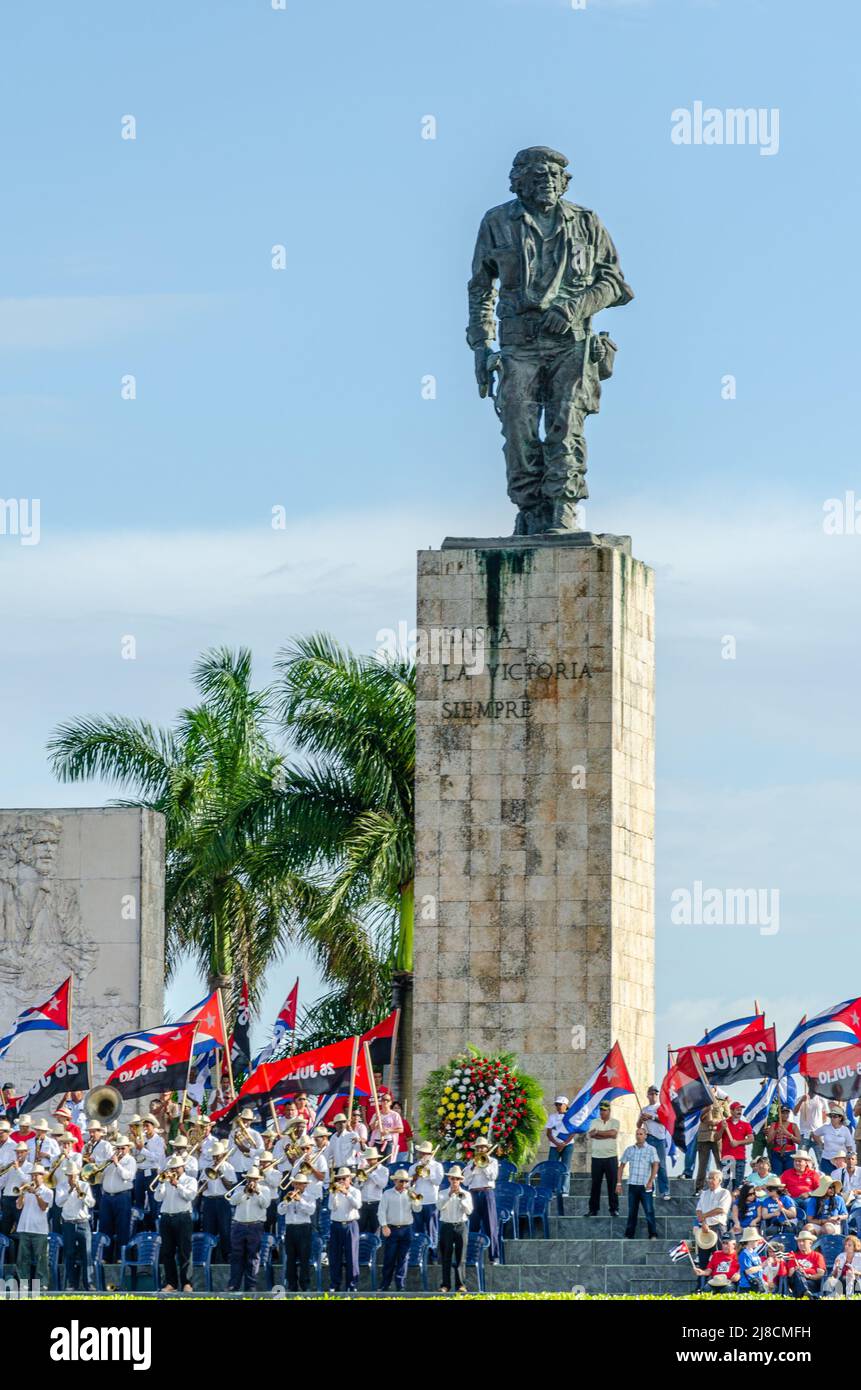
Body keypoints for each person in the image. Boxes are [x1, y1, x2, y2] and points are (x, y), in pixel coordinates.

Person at [467, 146, 633, 536]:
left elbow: (615, 283)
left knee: (566, 423)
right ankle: (529, 508)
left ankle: (562, 506)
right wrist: (480, 346)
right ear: (518, 182)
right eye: (537, 176)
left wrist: (574, 307)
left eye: (553, 176)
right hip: (518, 342)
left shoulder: (586, 223)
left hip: (570, 343)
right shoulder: (496, 222)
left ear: (564, 182)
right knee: (517, 424)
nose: (546, 182)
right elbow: (479, 289)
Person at [154, 1155, 196, 1293]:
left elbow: (190, 1196)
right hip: (166, 1217)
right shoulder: (166, 1181)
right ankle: (171, 1283)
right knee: (167, 1252)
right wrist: (161, 1183)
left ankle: (187, 1283)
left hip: (183, 1217)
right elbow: (157, 1197)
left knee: (185, 1251)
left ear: (182, 1167)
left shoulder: (190, 1180)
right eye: (172, 1168)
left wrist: (177, 1185)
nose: (174, 1170)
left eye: (176, 1168)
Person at [378, 1170, 423, 1291]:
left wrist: (415, 1199)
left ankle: (400, 1285)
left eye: (406, 1181)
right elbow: (381, 1211)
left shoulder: (410, 1193)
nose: (404, 1183)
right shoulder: (387, 1193)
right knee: (389, 1258)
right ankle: (385, 1284)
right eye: (401, 1181)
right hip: (392, 1229)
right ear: (395, 1181)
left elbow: (417, 1210)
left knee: (403, 1259)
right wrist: (384, 1225)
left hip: (406, 1229)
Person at [227, 1168, 270, 1292]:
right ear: (246, 1179)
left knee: (253, 1257)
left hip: (255, 1226)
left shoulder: (265, 1190)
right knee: (236, 1256)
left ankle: (251, 1285)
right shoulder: (240, 1189)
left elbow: (265, 1204)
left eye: (254, 1179)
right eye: (250, 1179)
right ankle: (234, 1284)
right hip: (239, 1225)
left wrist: (258, 1192)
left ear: (258, 1180)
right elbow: (233, 1202)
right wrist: (245, 1192)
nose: (252, 1181)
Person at [55, 1160, 95, 1290]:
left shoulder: (84, 1186)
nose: (73, 1178)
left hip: (83, 1223)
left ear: (78, 1175)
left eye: (75, 1175)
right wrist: (70, 1190)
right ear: (67, 1175)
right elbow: (59, 1203)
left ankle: (88, 1283)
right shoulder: (61, 1186)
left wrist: (82, 1196)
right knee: (69, 1254)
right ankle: (72, 1284)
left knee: (87, 1254)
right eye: (71, 1175)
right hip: (68, 1224)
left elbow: (92, 1203)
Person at [15, 1163, 54, 1289]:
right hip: (24, 1227)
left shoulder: (48, 1192)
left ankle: (42, 1284)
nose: (34, 1177)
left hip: (39, 1230)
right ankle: (24, 1284)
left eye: (36, 1175)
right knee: (23, 1258)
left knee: (41, 1258)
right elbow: (19, 1206)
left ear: (42, 1176)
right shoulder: (26, 1189)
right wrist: (21, 1194)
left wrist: (36, 1194)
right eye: (32, 1175)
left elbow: (43, 1207)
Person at [99, 1133, 136, 1259]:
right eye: (118, 1148)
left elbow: (127, 1176)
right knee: (105, 1227)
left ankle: (122, 1257)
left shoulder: (130, 1160)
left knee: (122, 1227)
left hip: (122, 1197)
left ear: (128, 1148)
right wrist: (106, 1163)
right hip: (107, 1197)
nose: (120, 1151)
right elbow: (100, 1175)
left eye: (123, 1148)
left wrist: (117, 1164)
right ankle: (105, 1257)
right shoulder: (110, 1161)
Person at [463, 1136, 500, 1262]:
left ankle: (493, 1257)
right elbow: (466, 1181)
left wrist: (484, 1165)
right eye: (478, 1148)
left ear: (487, 1148)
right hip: (473, 1194)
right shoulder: (470, 1163)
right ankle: (472, 1257)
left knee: (491, 1226)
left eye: (482, 1147)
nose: (480, 1149)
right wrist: (473, 1167)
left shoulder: (493, 1161)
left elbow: (492, 1177)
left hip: (486, 1192)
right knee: (473, 1226)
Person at [617, 1125, 658, 1239]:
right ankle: (629, 1235)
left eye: (641, 1134)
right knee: (632, 1212)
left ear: (645, 1136)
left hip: (645, 1186)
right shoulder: (630, 1149)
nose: (639, 1136)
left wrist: (651, 1181)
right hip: (633, 1185)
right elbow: (621, 1166)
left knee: (649, 1211)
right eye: (637, 1134)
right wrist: (619, 1183)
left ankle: (653, 1234)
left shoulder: (651, 1149)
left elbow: (655, 1165)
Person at [437, 1165, 473, 1294]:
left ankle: (461, 1285)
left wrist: (461, 1199)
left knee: (461, 1257)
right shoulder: (442, 1193)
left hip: (461, 1226)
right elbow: (440, 1207)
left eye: (457, 1179)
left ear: (460, 1180)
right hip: (446, 1225)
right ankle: (445, 1285)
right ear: (449, 1179)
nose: (455, 1181)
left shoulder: (466, 1194)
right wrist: (449, 1195)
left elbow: (469, 1211)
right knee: (446, 1256)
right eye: (452, 1178)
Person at [278, 1172, 316, 1292]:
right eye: (296, 1184)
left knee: (304, 1259)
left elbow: (311, 1211)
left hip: (304, 1228)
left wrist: (300, 1201)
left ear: (305, 1185)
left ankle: (305, 1286)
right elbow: (280, 1211)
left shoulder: (310, 1197)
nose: (297, 1186)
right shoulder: (288, 1195)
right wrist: (286, 1201)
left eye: (300, 1184)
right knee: (291, 1259)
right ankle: (292, 1285)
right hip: (290, 1229)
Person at [198, 1138, 235, 1262]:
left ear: (223, 1155)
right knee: (209, 1231)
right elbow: (201, 1188)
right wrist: (204, 1183)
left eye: (217, 1156)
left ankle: (227, 1258)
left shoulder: (229, 1167)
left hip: (223, 1201)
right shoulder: (207, 1167)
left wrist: (221, 1175)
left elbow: (231, 1188)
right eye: (214, 1156)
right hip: (209, 1201)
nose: (215, 1159)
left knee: (225, 1231)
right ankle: (210, 1259)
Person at [328, 1167, 362, 1293]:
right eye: (339, 1179)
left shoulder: (355, 1191)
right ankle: (335, 1284)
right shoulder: (334, 1191)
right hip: (336, 1225)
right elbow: (331, 1207)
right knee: (335, 1257)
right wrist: (336, 1194)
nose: (341, 1181)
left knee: (351, 1257)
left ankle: (352, 1285)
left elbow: (357, 1205)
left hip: (350, 1225)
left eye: (344, 1178)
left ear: (350, 1179)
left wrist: (346, 1193)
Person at [409, 1141, 444, 1254]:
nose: (423, 1155)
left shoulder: (437, 1166)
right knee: (417, 1229)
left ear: (430, 1154)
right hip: (417, 1201)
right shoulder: (414, 1166)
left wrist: (428, 1173)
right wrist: (416, 1175)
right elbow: (408, 1183)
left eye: (425, 1153)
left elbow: (438, 1181)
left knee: (432, 1230)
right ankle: (417, 1254)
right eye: (421, 1153)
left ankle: (432, 1255)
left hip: (431, 1201)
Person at [587, 1100, 620, 1217]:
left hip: (611, 1157)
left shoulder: (615, 1122)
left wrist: (598, 1133)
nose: (602, 1112)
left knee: (612, 1184)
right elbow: (591, 1134)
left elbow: (613, 1134)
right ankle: (593, 1209)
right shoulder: (594, 1121)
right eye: (601, 1109)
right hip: (596, 1157)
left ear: (609, 1110)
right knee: (595, 1184)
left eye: (604, 1110)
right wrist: (603, 1134)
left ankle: (614, 1209)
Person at [638, 1087, 670, 1200]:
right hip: (648, 1138)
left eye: (656, 1094)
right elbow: (638, 1126)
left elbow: (665, 1121)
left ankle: (665, 1191)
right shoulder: (644, 1109)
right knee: (648, 1165)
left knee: (661, 1165)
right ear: (647, 1095)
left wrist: (651, 1117)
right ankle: (650, 1188)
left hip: (659, 1139)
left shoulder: (661, 1107)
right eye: (651, 1094)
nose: (654, 1096)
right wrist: (642, 1119)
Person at [694, 1097, 728, 1194]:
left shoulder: (722, 1101)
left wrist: (717, 1121)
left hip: (717, 1136)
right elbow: (701, 1117)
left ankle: (723, 1185)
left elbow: (728, 1117)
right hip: (704, 1136)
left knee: (721, 1162)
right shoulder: (701, 1101)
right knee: (702, 1165)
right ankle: (698, 1188)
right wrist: (708, 1107)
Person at [545, 1095, 575, 1197]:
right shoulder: (552, 1117)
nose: (558, 1106)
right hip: (554, 1145)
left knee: (565, 1168)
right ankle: (552, 1190)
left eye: (560, 1104)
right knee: (552, 1168)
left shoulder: (571, 1117)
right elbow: (548, 1133)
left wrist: (564, 1143)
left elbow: (573, 1132)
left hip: (568, 1145)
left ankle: (564, 1190)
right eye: (556, 1104)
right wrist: (557, 1143)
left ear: (566, 1105)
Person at [784, 1228, 826, 1298]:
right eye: (799, 1241)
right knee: (797, 1272)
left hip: (811, 1281)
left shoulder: (818, 1256)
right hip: (795, 1281)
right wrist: (796, 1269)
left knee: (803, 1285)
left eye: (803, 1241)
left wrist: (808, 1276)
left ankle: (803, 1293)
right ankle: (806, 1292)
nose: (801, 1243)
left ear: (810, 1243)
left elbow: (820, 1274)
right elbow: (790, 1274)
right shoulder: (793, 1256)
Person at [694, 1169, 731, 1246]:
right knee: (703, 1255)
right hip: (704, 1227)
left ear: (720, 1180)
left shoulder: (724, 1193)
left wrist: (704, 1216)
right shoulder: (704, 1193)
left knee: (719, 1254)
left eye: (713, 1178)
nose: (710, 1180)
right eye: (709, 1178)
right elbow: (698, 1210)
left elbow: (721, 1210)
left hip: (718, 1227)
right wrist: (703, 1223)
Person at [812, 1108, 855, 1175]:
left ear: (840, 1118)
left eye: (835, 1116)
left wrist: (849, 1160)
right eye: (831, 1116)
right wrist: (821, 1144)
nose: (832, 1118)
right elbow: (814, 1134)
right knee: (827, 1182)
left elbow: (849, 1147)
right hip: (827, 1159)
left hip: (841, 1160)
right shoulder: (825, 1127)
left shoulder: (845, 1130)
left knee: (841, 1181)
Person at [721, 1101, 754, 1187]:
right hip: (726, 1159)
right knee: (724, 1183)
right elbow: (716, 1138)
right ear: (731, 1111)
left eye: (740, 1110)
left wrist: (738, 1142)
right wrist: (722, 1129)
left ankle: (735, 1200)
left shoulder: (746, 1125)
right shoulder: (724, 1123)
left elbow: (751, 1139)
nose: (739, 1111)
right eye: (737, 1109)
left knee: (738, 1185)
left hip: (740, 1159)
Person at [765, 1105, 801, 1175]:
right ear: (779, 1114)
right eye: (782, 1113)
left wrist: (788, 1133)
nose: (785, 1115)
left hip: (790, 1154)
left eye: (787, 1113)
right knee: (777, 1175)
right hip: (776, 1154)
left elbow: (799, 1141)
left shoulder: (793, 1125)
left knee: (790, 1175)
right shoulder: (774, 1125)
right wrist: (775, 1131)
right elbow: (768, 1141)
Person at [822, 1234, 861, 1298]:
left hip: (856, 1280)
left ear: (855, 1246)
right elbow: (834, 1275)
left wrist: (854, 1272)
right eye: (845, 1245)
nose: (846, 1247)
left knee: (848, 1277)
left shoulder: (860, 1257)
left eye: (849, 1245)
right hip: (841, 1281)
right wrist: (836, 1268)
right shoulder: (840, 1256)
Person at [368, 1093, 403, 1158]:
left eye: (387, 1100)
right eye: (383, 1100)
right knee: (377, 1164)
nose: (385, 1102)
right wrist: (376, 1120)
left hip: (388, 1141)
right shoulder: (376, 1114)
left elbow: (401, 1129)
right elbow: (372, 1128)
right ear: (381, 1102)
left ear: (390, 1103)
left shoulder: (395, 1115)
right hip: (377, 1141)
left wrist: (389, 1131)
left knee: (387, 1163)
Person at [736, 1228, 768, 1292]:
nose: (758, 1241)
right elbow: (748, 1271)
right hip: (747, 1287)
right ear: (750, 1240)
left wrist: (763, 1281)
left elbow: (758, 1269)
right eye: (756, 1240)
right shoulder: (744, 1254)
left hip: (756, 1284)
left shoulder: (754, 1253)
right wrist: (763, 1265)